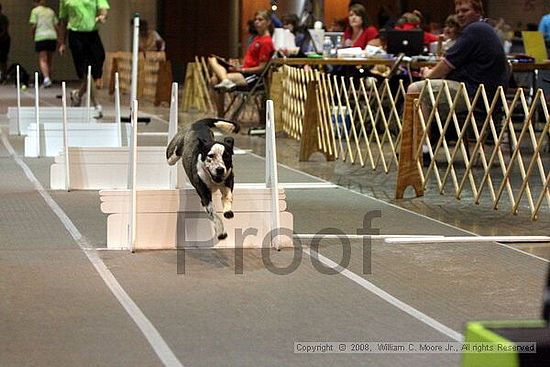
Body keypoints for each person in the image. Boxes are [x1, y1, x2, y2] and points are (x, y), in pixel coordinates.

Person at [407, 0, 508, 163]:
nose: (460, 14)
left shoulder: (475, 30)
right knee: (430, 92)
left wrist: (429, 75)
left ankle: (421, 149)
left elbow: (447, 64)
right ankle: (425, 144)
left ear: (478, 12)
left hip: (474, 93)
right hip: (484, 92)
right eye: (458, 11)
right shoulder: (483, 29)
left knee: (416, 89)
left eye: (465, 10)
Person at [58, 0, 109, 117]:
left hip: (92, 35)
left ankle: (78, 95)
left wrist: (103, 16)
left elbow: (103, 9)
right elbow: (63, 20)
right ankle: (96, 104)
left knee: (98, 65)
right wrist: (62, 42)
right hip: (75, 35)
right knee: (87, 71)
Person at [209, 9, 274, 92]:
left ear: (268, 22)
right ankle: (225, 81)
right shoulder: (257, 38)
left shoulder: (267, 42)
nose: (256, 22)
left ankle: (225, 81)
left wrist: (242, 70)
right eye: (255, 19)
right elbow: (251, 60)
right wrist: (239, 66)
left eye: (260, 20)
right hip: (244, 72)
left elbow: (262, 68)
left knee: (215, 80)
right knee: (213, 61)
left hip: (254, 77)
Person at [29, 0, 58, 88]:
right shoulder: (51, 11)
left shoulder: (35, 11)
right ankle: (49, 77)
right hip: (52, 36)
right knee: (50, 59)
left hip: (41, 36)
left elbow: (34, 25)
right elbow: (56, 25)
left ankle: (46, 79)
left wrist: (32, 34)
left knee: (43, 59)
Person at [0, 3, 10, 82]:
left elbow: (4, 29)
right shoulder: (4, 17)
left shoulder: (3, 18)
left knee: (3, 59)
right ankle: (3, 75)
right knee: (3, 59)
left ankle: (4, 76)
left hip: (3, 40)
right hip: (4, 39)